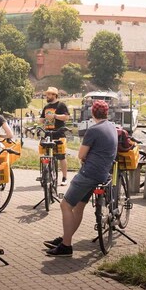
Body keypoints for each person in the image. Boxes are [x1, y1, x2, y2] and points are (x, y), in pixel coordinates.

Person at [44, 100, 117, 257]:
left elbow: (81, 155)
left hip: (88, 174)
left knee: (65, 205)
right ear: (107, 113)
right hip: (103, 173)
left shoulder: (93, 130)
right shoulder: (112, 127)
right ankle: (66, 237)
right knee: (79, 207)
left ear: (92, 113)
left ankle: (66, 246)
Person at [40, 86, 70, 186]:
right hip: (48, 133)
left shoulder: (61, 105)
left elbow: (66, 117)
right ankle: (46, 175)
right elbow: (41, 119)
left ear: (54, 95)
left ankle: (64, 177)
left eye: (48, 94)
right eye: (46, 94)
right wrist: (41, 120)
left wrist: (55, 116)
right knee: (46, 155)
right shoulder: (46, 107)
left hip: (59, 133)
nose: (46, 96)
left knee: (61, 156)